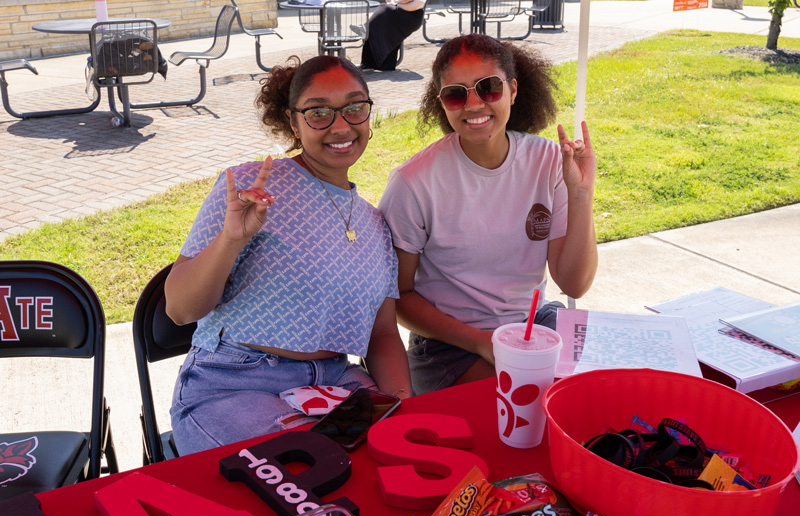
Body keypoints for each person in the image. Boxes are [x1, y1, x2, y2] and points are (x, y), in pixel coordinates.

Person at [165, 54, 412, 455]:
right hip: (236, 381)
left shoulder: (375, 225)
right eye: (318, 113)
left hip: (335, 381)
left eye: (354, 107)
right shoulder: (248, 188)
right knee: (302, 481)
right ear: (293, 122)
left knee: (388, 463)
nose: (340, 125)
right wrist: (231, 239)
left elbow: (383, 334)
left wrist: (403, 405)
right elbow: (179, 309)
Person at [378, 34, 598, 395]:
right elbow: (399, 297)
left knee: (600, 389)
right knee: (528, 401)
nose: (474, 104)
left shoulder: (549, 162)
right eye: (456, 93)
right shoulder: (413, 182)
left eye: (489, 87)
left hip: (531, 325)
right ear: (442, 104)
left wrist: (581, 194)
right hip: (448, 344)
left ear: (512, 90)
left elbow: (574, 284)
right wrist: (479, 341)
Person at [360, 0, 425, 71]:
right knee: (383, 12)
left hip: (411, 16)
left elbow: (416, 5)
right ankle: (370, 62)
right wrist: (397, 3)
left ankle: (366, 29)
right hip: (400, 12)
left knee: (386, 9)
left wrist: (397, 4)